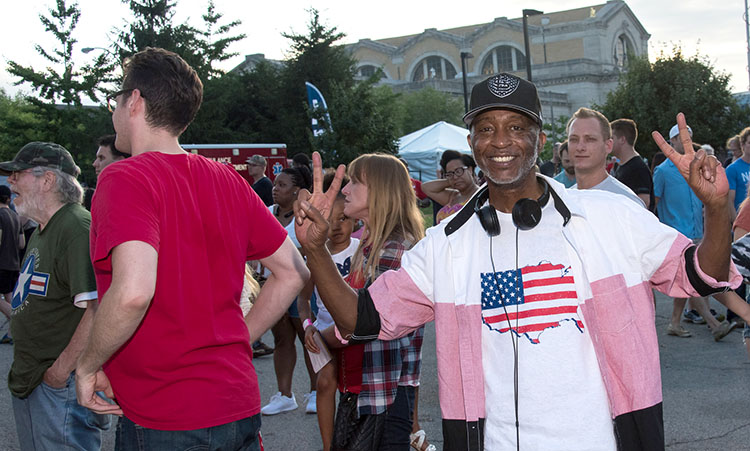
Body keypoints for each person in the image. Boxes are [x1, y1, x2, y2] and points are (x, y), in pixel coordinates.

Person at [294, 73, 740, 450]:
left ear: (540, 138)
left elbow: (702, 276)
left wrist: (717, 208)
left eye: (516, 127)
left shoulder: (610, 218)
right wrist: (315, 251)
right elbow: (361, 319)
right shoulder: (445, 245)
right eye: (486, 129)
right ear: (472, 142)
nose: (500, 141)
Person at [75, 47, 309, 450]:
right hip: (235, 404)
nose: (113, 109)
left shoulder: (124, 178)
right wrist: (241, 336)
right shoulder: (227, 180)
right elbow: (293, 272)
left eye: (116, 97)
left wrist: (88, 365)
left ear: (134, 101)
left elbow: (132, 292)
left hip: (165, 416)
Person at [298, 153, 426, 450]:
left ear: (380, 190)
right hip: (370, 388)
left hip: (385, 395)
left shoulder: (396, 249)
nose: (345, 190)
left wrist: (319, 335)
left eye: (355, 182)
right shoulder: (373, 245)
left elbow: (360, 323)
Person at [0, 142, 111, 450]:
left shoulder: (76, 226)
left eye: (17, 174)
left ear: (47, 180)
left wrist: (60, 371)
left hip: (56, 387)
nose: (10, 182)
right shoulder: (43, 229)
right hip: (35, 381)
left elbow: (99, 308)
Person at [654, 124, 735, 340]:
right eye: (682, 136)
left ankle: (674, 322)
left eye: (689, 136)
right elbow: (655, 203)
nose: (686, 139)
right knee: (693, 277)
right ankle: (713, 323)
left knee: (692, 278)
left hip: (697, 231)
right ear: (672, 141)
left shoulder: (696, 168)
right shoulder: (662, 172)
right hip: (675, 236)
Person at [300, 175, 358, 451]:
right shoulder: (314, 253)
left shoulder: (363, 252)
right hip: (321, 333)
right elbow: (302, 298)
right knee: (326, 382)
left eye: (343, 218)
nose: (336, 226)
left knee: (355, 389)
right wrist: (307, 325)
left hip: (354, 330)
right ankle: (328, 446)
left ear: (355, 220)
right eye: (330, 219)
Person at [261, 165, 319, 416]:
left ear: (297, 191)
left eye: (282, 185)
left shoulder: (305, 216)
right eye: (275, 184)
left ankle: (317, 392)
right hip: (273, 287)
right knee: (282, 339)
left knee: (308, 339)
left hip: (301, 288)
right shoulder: (265, 213)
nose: (275, 189)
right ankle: (284, 395)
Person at [568, 108, 645, 208]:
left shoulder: (626, 202)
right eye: (574, 139)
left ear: (608, 146)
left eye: (590, 139)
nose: (580, 147)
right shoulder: (565, 198)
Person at [423, 151, 480, 224]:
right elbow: (426, 187)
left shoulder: (481, 195)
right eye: (450, 174)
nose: (455, 177)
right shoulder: (453, 196)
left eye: (459, 171)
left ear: (470, 170)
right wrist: (451, 181)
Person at [611, 118, 654, 210]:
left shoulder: (638, 168)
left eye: (612, 138)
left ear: (622, 140)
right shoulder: (620, 166)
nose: (608, 142)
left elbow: (644, 203)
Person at [0, 185, 23, 343]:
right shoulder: (15, 216)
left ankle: (18, 322)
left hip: (1, 262)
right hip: (14, 263)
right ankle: (12, 333)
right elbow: (22, 243)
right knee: (9, 296)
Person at [726, 127, 750, 218]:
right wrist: (736, 224)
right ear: (742, 145)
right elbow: (729, 201)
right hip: (742, 221)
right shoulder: (733, 169)